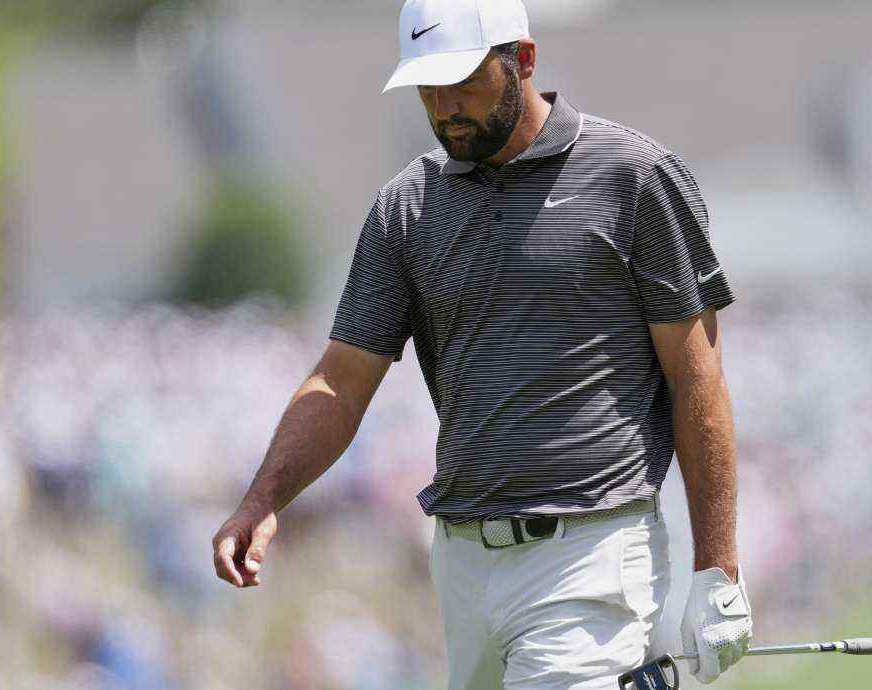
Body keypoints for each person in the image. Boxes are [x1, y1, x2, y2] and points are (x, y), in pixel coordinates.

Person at [212, 0, 753, 686]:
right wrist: (263, 499)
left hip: (591, 549)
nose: (445, 107)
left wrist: (719, 569)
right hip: (463, 561)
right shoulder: (406, 207)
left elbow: (698, 379)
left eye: (463, 82)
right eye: (428, 88)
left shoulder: (634, 177)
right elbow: (342, 382)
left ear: (522, 61)